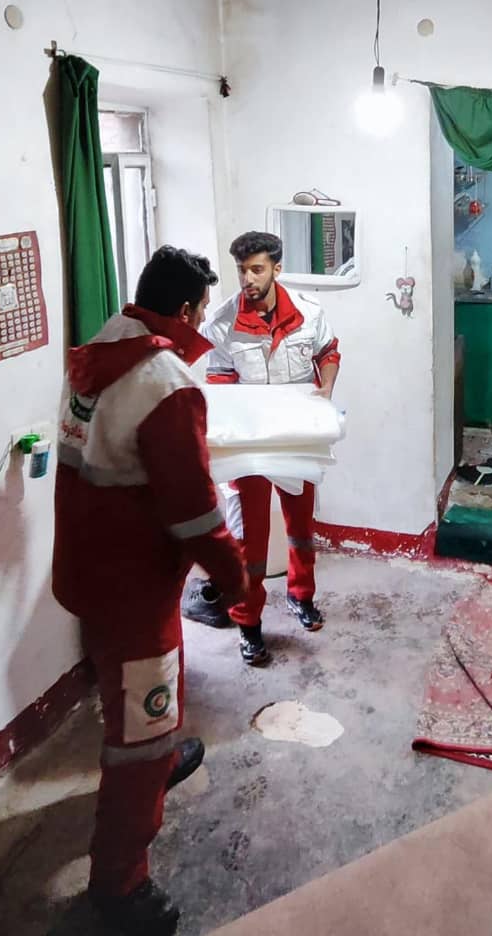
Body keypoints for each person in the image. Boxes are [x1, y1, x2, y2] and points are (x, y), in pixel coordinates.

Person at [53, 245, 249, 936]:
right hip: (134, 587)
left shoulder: (99, 352)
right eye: (202, 310)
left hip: (87, 569)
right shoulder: (164, 382)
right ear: (187, 310)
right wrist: (234, 577)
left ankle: (163, 757)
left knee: (136, 699)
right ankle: (119, 887)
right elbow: (194, 513)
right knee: (139, 731)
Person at [182, 231, 341, 667]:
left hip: (295, 438)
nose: (248, 279)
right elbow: (220, 381)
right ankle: (248, 622)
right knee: (247, 540)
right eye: (242, 270)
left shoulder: (309, 313)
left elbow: (329, 352)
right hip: (249, 444)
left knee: (300, 526)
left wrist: (325, 390)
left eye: (257, 269)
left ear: (276, 268)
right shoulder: (222, 322)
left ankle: (301, 596)